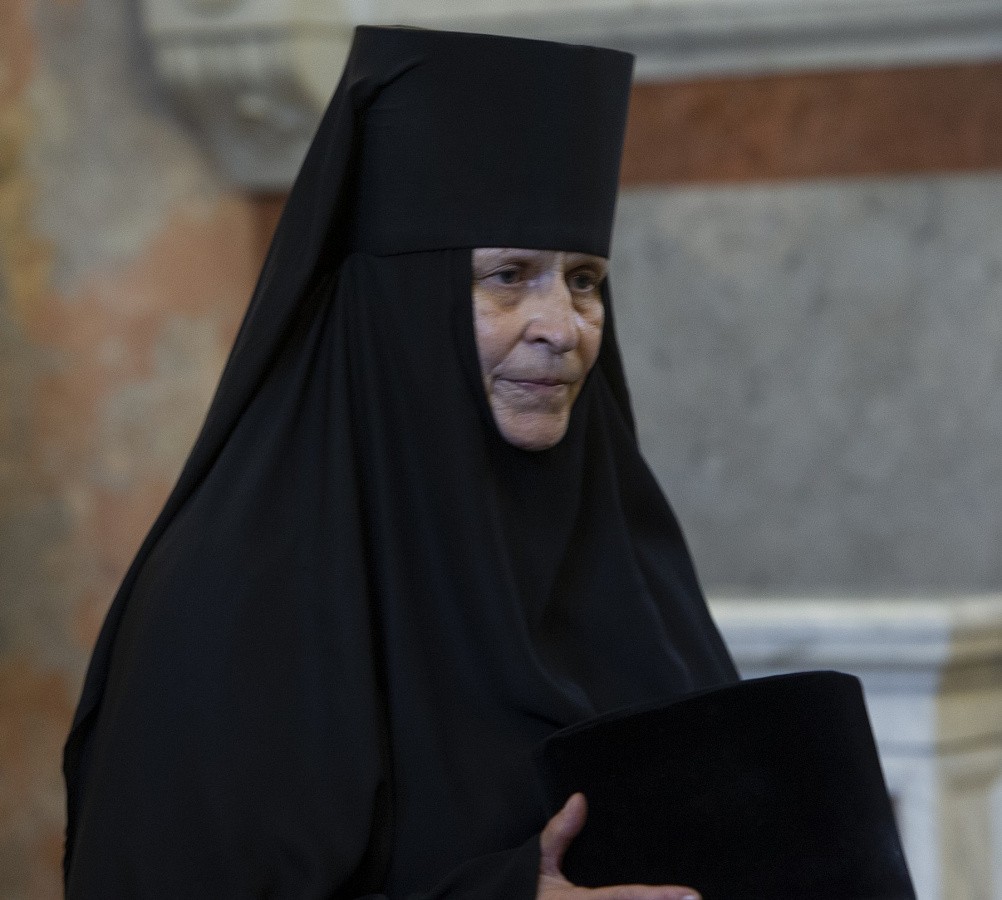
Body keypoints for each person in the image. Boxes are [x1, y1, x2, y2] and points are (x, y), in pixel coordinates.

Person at [63, 26, 737, 898]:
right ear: (396, 307)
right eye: (508, 275)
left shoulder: (626, 563)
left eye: (583, 279)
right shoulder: (229, 595)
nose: (563, 328)